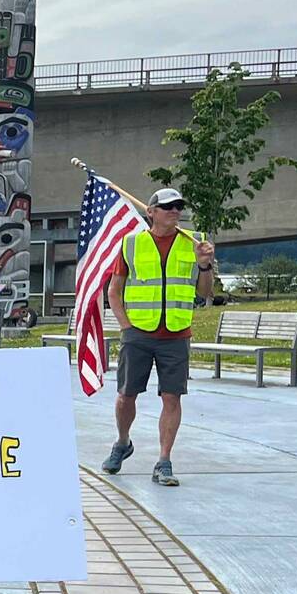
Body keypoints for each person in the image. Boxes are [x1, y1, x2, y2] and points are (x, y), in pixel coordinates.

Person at [102, 186, 216, 487]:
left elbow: (205, 293)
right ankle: (122, 442)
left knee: (172, 397)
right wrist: (125, 325)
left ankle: (164, 461)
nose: (175, 211)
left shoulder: (195, 242)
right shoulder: (131, 243)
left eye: (178, 206)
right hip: (138, 332)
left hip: (176, 333)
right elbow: (115, 290)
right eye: (167, 207)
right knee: (126, 395)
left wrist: (204, 264)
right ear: (150, 212)